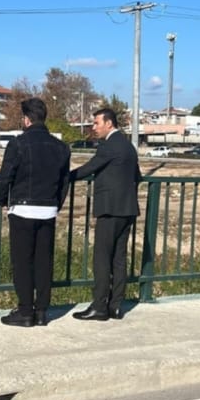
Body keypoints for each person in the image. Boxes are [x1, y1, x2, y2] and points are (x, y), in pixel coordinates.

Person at [0, 98, 71, 327]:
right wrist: (55, 204)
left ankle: (25, 311)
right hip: (48, 210)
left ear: (26, 119)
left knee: (22, 262)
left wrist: (3, 200)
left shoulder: (18, 143)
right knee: (43, 262)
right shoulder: (61, 147)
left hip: (23, 208)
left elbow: (6, 175)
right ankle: (41, 311)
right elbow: (64, 181)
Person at [69, 106, 141, 320]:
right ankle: (116, 305)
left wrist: (63, 177)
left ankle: (99, 306)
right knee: (119, 258)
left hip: (110, 209)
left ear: (109, 123)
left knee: (101, 258)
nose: (93, 127)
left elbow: (87, 169)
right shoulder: (128, 147)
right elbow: (136, 175)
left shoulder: (108, 146)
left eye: (96, 123)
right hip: (128, 209)